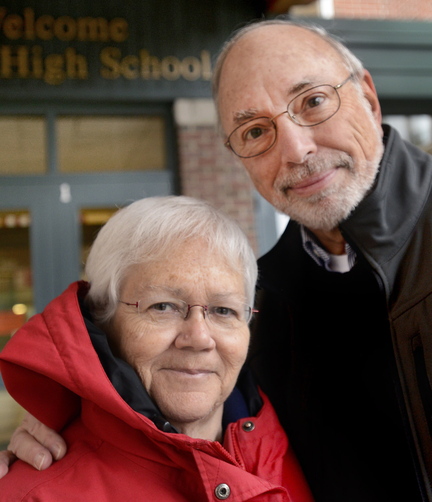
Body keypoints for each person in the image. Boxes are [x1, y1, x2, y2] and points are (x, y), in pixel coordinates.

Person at [1, 17, 432, 501]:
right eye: (253, 131)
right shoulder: (262, 304)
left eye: (313, 101)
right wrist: (73, 410)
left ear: (369, 99)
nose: (295, 149)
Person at [0, 195, 314, 501]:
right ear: (100, 320)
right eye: (163, 306)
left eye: (223, 310)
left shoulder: (305, 441)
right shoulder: (33, 494)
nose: (199, 338)